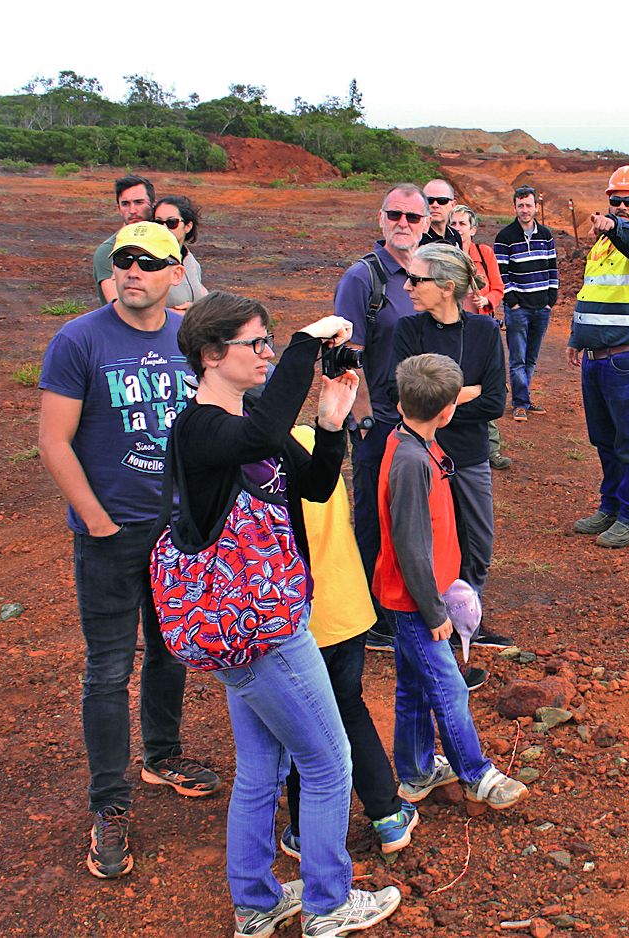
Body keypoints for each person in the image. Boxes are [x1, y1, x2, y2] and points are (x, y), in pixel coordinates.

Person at [167, 295, 400, 937]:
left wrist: (329, 423)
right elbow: (264, 433)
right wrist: (305, 342)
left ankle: (257, 903)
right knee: (328, 764)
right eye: (258, 343)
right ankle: (328, 905)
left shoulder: (249, 428)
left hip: (264, 620)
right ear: (213, 357)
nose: (268, 353)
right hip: (259, 631)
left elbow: (318, 485)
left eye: (272, 342)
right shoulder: (200, 429)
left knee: (262, 768)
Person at [38, 221, 219, 880]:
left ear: (177, 271)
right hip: (110, 535)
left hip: (176, 532)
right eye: (124, 260)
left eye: (149, 261)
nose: (134, 270)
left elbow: (223, 416)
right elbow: (54, 441)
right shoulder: (78, 339)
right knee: (109, 669)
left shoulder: (192, 338)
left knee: (171, 647)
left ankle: (162, 754)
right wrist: (99, 522)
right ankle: (110, 806)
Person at [372, 353, 528, 812]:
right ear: (448, 411)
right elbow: (410, 546)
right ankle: (476, 774)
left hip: (420, 596)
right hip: (417, 604)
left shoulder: (413, 443)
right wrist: (434, 610)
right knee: (449, 688)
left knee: (415, 688)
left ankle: (417, 772)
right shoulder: (411, 462)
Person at [279, 422, 417, 861]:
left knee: (302, 730)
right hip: (348, 604)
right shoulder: (309, 439)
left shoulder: (253, 463)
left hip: (300, 620)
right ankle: (388, 815)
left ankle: (305, 832)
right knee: (349, 707)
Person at [392, 243, 513, 688]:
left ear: (446, 287)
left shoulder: (483, 331)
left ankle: (466, 622)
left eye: (416, 279)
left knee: (476, 548)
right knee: (430, 548)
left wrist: (435, 403)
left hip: (468, 456)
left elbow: (496, 401)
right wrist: (466, 392)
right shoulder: (408, 330)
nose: (407, 286)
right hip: (421, 459)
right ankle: (443, 650)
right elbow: (399, 398)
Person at [334, 183, 431, 651]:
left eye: (413, 218)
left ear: (427, 224)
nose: (403, 224)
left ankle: (404, 598)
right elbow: (346, 353)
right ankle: (371, 615)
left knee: (410, 515)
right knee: (373, 515)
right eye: (395, 215)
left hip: (424, 422)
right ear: (381, 218)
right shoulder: (362, 279)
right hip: (381, 422)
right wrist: (364, 418)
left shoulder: (429, 272)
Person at [566, 166, 629, 549]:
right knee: (604, 440)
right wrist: (577, 338)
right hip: (598, 357)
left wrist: (613, 225)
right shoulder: (603, 244)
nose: (623, 206)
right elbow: (592, 291)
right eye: (616, 201)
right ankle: (610, 506)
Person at [450, 206, 512, 471]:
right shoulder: (445, 255)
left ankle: (491, 449)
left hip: (481, 331)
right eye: (454, 223)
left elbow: (499, 288)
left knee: (485, 387)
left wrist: (487, 299)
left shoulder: (484, 255)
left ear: (473, 229)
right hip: (450, 332)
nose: (458, 227)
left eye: (463, 223)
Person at [494, 186, 558, 422]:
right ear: (515, 207)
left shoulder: (546, 235)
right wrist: (512, 302)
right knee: (518, 358)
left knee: (531, 357)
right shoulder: (505, 237)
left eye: (528, 205)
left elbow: (553, 268)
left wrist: (552, 298)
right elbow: (502, 272)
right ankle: (520, 403)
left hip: (542, 307)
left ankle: (524, 398)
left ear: (535, 207)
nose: (524, 210)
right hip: (518, 309)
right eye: (520, 206)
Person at [93, 175, 155, 303]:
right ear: (119, 209)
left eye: (139, 202)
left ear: (153, 204)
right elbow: (121, 307)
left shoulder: (165, 244)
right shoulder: (109, 251)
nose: (132, 210)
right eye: (125, 204)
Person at [152, 195, 210, 311]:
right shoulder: (148, 261)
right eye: (158, 223)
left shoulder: (190, 261)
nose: (164, 228)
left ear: (188, 226)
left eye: (172, 222)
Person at [421, 179, 463, 248]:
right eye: (429, 200)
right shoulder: (416, 237)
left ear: (453, 205)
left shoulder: (455, 236)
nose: (435, 205)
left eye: (442, 201)